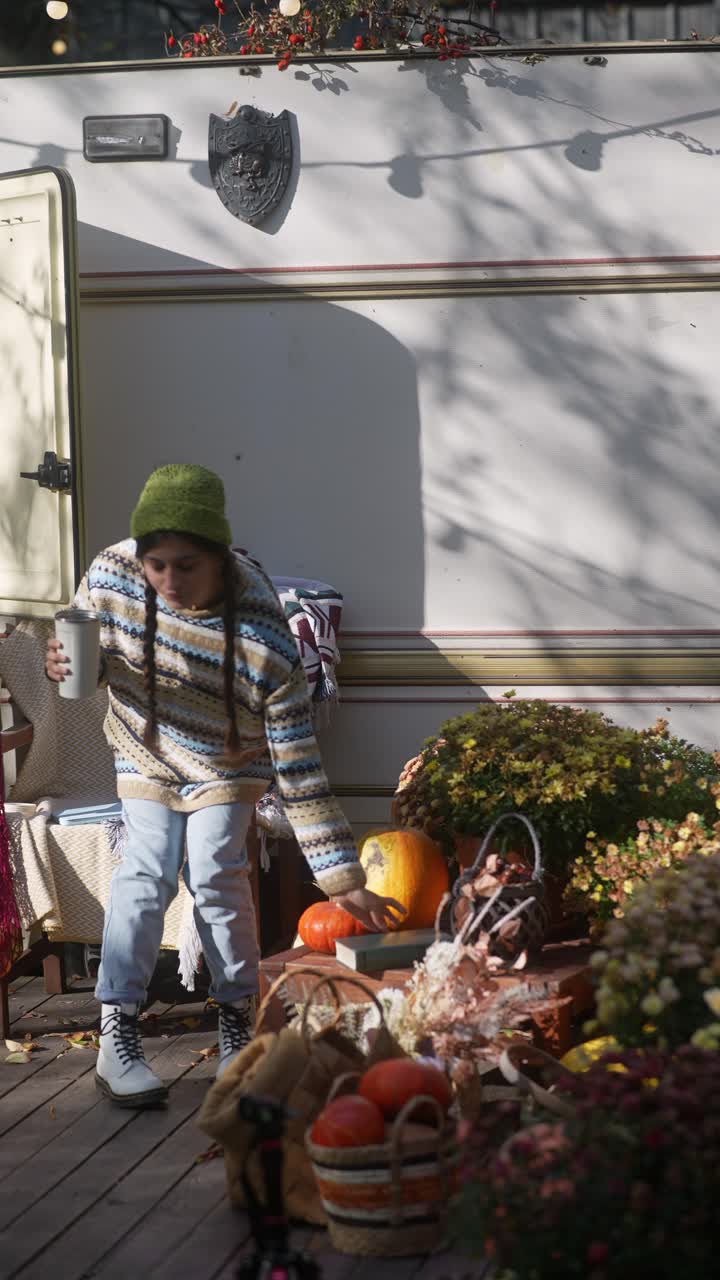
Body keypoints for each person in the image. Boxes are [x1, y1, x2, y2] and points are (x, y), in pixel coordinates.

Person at [46, 464, 404, 1108]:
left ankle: (237, 1019)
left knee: (215, 870)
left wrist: (342, 880)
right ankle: (116, 1031)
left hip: (230, 760)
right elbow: (92, 660)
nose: (169, 580)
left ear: (220, 556)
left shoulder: (263, 635)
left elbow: (299, 767)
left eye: (187, 565)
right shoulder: (110, 575)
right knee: (146, 870)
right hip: (145, 747)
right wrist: (65, 663)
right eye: (157, 564)